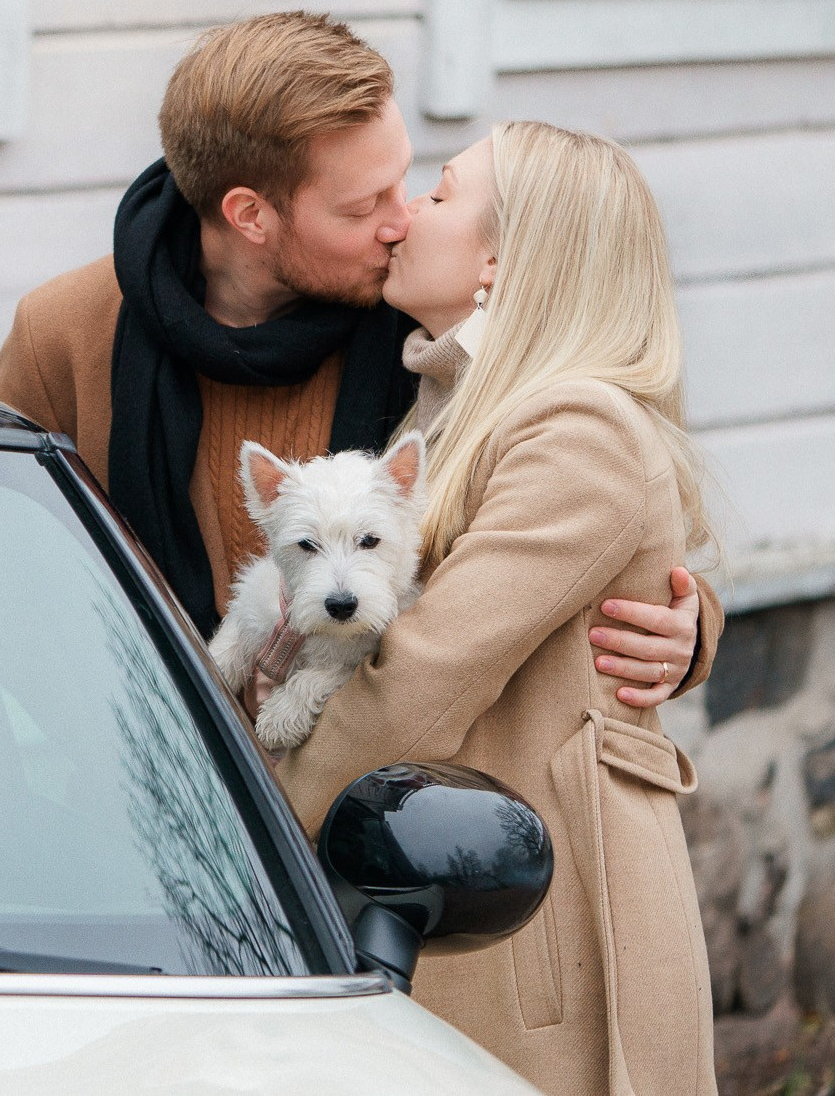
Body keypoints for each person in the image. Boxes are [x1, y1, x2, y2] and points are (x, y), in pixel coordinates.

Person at [0, 11, 713, 706]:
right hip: (158, 776)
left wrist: (683, 625)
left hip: (375, 787)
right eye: (362, 205)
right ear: (251, 215)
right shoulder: (61, 335)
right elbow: (21, 590)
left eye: (404, 179)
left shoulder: (425, 310)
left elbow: (591, 500)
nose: (401, 220)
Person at [276, 122, 718, 1096]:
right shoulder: (459, 401)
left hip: (533, 936)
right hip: (467, 897)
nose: (401, 220)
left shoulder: (572, 426)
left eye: (437, 194)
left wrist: (245, 820)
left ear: (499, 260)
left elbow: (418, 680)